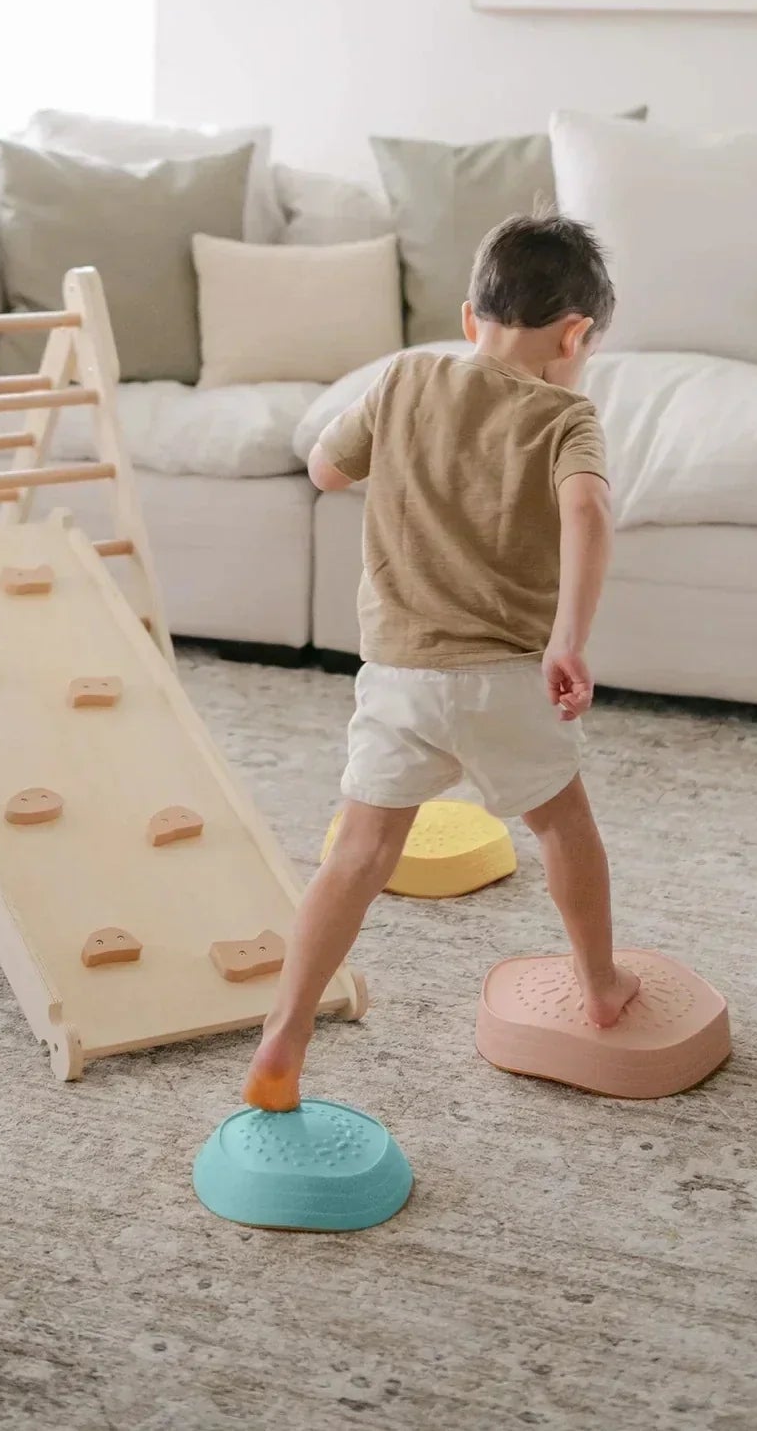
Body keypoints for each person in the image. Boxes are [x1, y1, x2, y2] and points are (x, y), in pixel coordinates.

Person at [244, 211, 638, 1114]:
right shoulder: (567, 415)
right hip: (506, 674)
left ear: (472, 318)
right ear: (575, 336)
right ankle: (602, 984)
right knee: (563, 827)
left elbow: (323, 471)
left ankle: (286, 1026)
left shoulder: (405, 377)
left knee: (359, 852)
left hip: (398, 676)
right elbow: (588, 515)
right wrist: (568, 639)